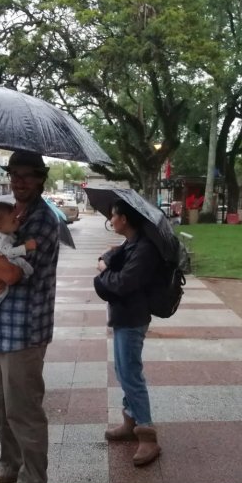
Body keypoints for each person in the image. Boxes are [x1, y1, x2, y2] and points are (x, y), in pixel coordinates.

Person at [0, 152, 59, 483]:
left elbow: (12, 272)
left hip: (26, 330)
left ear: (40, 179)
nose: (19, 181)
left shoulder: (42, 221)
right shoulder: (4, 214)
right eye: (14, 174)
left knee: (24, 411)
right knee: (1, 407)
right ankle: (9, 468)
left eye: (27, 175)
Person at [94, 199, 162, 466]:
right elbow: (114, 255)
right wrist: (106, 259)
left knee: (131, 374)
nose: (111, 219)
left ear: (124, 218)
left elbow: (122, 283)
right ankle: (130, 421)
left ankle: (147, 434)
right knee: (123, 371)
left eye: (113, 215)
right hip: (124, 315)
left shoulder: (144, 249)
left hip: (133, 318)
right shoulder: (132, 242)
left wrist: (102, 270)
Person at [0, 201, 37, 324]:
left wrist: (15, 220)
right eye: (13, 221)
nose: (17, 221)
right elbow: (9, 253)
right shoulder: (1, 237)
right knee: (1, 290)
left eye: (16, 217)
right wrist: (25, 247)